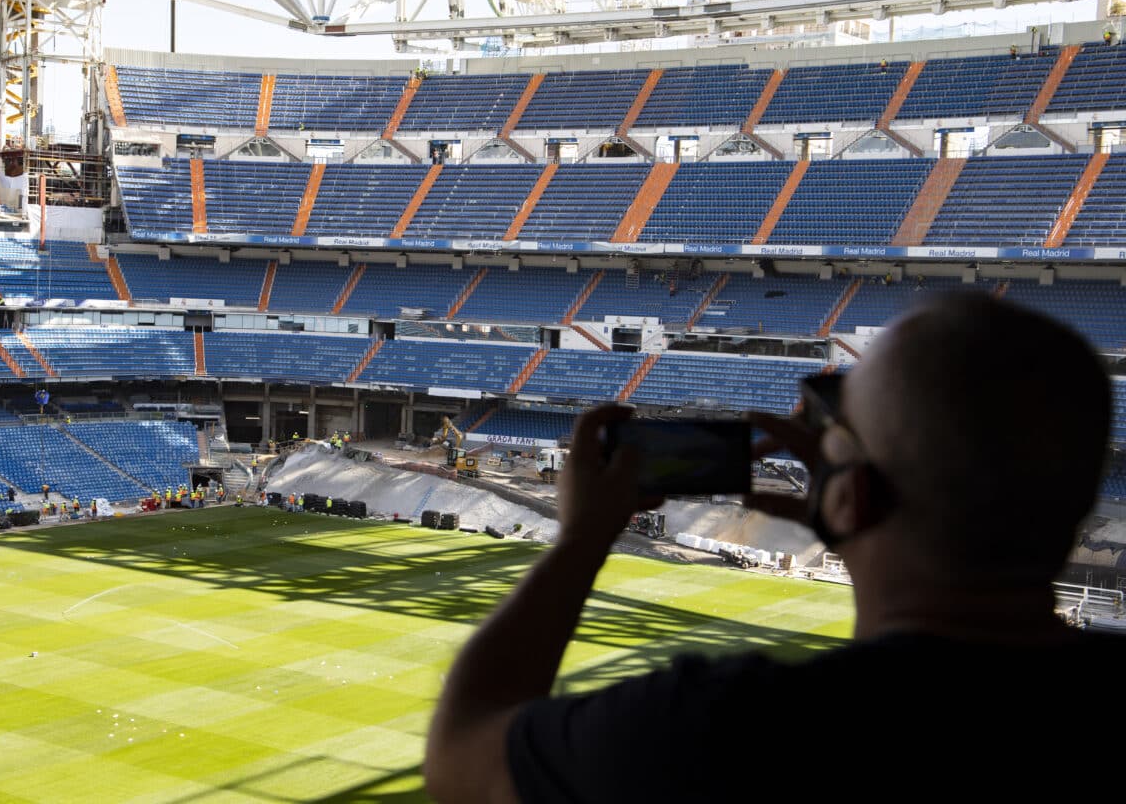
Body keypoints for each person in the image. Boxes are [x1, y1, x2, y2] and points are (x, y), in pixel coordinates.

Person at [424, 294, 1126, 802]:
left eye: (835, 425)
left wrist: (577, 542)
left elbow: (462, 759)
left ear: (849, 498)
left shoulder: (724, 729)